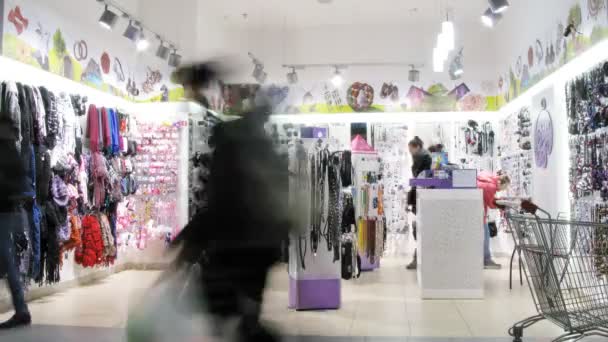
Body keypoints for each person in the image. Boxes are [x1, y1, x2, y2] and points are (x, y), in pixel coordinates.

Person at [172, 63, 290, 342]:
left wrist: (186, 246)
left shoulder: (229, 144)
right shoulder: (262, 143)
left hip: (233, 251)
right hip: (260, 249)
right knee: (246, 317)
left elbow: (220, 204)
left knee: (227, 320)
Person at [0, 118, 31, 329]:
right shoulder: (12, 150)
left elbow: (15, 182)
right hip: (8, 211)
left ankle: (21, 310)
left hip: (4, 211)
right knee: (7, 261)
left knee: (8, 261)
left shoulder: (8, 151)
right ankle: (21, 310)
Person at [406, 136, 432, 270]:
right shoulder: (425, 155)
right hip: (423, 194)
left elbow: (417, 175)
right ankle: (418, 259)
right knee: (420, 229)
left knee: (421, 230)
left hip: (422, 195)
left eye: (410, 149)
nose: (410, 152)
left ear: (416, 147)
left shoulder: (421, 157)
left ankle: (417, 259)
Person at [477, 172, 511, 269]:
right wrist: (503, 204)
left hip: (476, 209)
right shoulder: (491, 187)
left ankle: (485, 260)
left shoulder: (488, 178)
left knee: (485, 234)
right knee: (486, 235)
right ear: (501, 183)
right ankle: (486, 261)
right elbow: (491, 204)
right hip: (478, 211)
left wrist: (498, 200)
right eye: (505, 187)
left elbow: (489, 198)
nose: (503, 190)